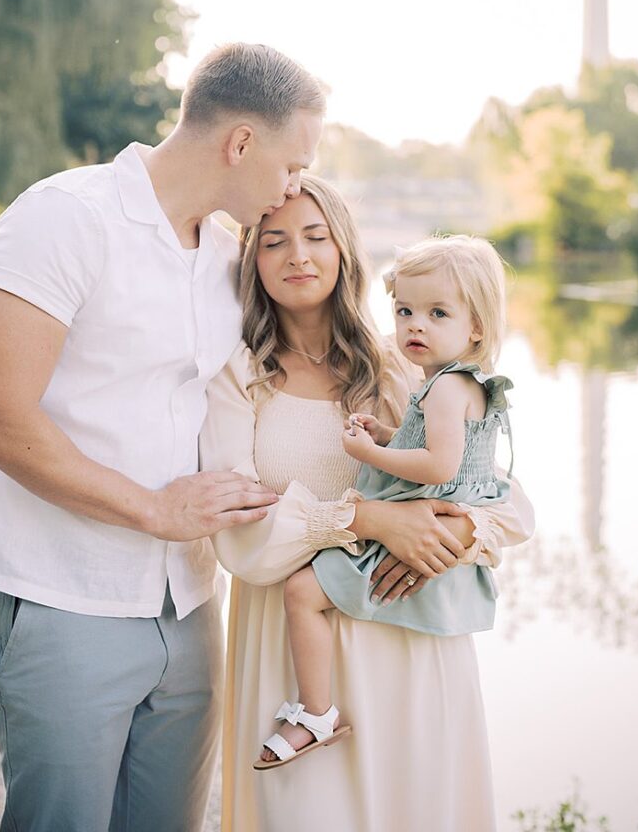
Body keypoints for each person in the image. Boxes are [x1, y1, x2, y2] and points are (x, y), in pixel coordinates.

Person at [0, 43, 325, 832]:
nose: (295, 186)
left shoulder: (230, 255)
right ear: (241, 144)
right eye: (294, 164)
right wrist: (154, 510)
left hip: (189, 606)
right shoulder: (64, 218)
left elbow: (311, 363)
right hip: (63, 599)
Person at [199, 176, 535, 832]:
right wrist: (371, 518)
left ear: (345, 249)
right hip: (291, 652)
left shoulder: (404, 368)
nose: (298, 255)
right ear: (252, 260)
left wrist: (445, 537)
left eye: (316, 236)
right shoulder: (238, 375)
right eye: (274, 242)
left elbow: (512, 507)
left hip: (407, 640)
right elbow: (238, 534)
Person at [258, 235, 514, 769]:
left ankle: (315, 711)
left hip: (422, 524)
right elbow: (436, 448)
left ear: (476, 327)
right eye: (405, 311)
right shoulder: (457, 384)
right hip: (424, 520)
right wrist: (391, 433)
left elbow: (439, 467)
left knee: (302, 592)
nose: (415, 325)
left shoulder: (443, 387)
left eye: (437, 313)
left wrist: (369, 449)